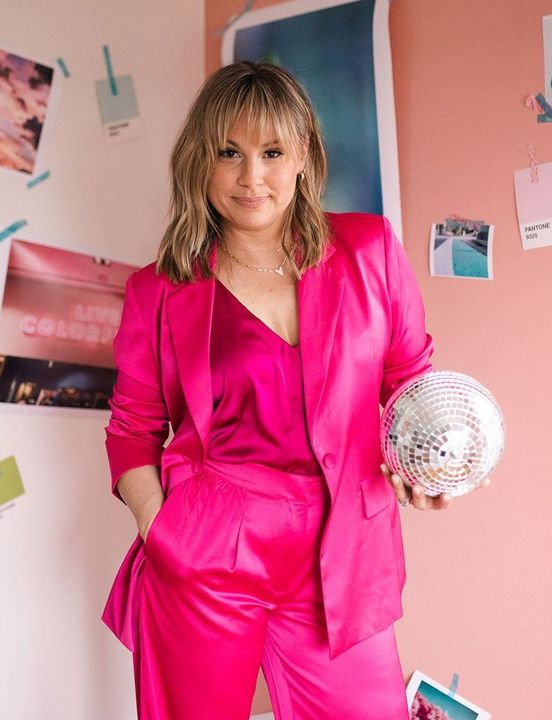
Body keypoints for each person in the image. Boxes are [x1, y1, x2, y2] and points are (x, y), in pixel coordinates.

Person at [102, 60, 453, 720]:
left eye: (271, 152)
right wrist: (161, 529)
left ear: (302, 158)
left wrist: (426, 469)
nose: (250, 176)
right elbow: (131, 431)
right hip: (209, 548)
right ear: (199, 162)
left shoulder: (369, 250)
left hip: (343, 552)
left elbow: (412, 383)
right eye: (228, 153)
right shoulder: (158, 289)